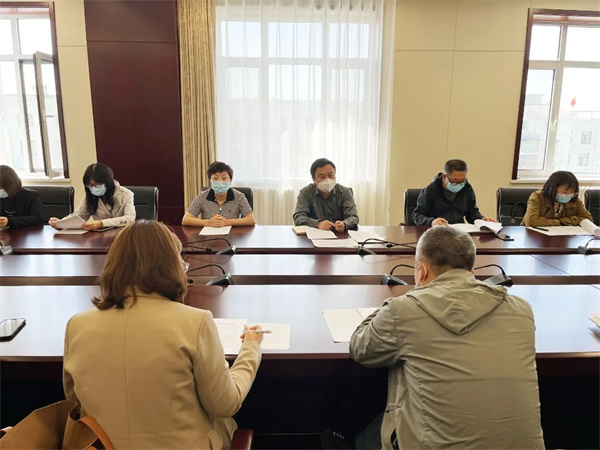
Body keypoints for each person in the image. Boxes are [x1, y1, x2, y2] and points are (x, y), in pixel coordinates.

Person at [63, 220, 263, 449]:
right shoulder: (195, 322)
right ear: (171, 267)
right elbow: (225, 403)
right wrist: (251, 348)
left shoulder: (76, 325)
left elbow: (74, 402)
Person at [349, 227, 544, 449]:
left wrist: (400, 301)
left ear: (421, 270)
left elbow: (360, 348)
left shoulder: (403, 310)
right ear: (472, 272)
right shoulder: (522, 310)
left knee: (366, 438)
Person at [49, 163, 135, 230]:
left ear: (108, 182)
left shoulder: (126, 194)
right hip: (100, 236)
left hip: (123, 235)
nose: (93, 188)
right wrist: (61, 223)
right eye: (89, 185)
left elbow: (130, 218)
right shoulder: (90, 195)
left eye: (96, 185)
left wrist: (102, 223)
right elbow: (79, 215)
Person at [412, 159, 496, 227]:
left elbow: (472, 213)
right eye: (455, 181)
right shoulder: (431, 190)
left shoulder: (467, 188)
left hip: (459, 232)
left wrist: (481, 219)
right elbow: (417, 215)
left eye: (462, 180)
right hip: (437, 232)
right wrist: (432, 221)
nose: (459, 184)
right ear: (444, 177)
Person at [182, 161, 256, 227]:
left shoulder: (239, 197)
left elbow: (251, 220)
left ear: (230, 180)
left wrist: (227, 222)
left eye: (224, 178)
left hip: (232, 235)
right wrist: (208, 223)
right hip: (208, 235)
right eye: (215, 178)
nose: (220, 182)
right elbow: (186, 220)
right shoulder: (202, 197)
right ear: (210, 181)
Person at [293, 158, 359, 231]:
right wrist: (318, 223)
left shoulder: (344, 192)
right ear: (314, 179)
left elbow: (353, 217)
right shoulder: (306, 192)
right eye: (322, 177)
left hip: (340, 234)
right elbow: (298, 217)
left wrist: (344, 224)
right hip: (315, 234)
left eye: (330, 175)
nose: (327, 180)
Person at [523, 170, 593, 227]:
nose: (568, 195)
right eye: (565, 192)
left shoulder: (573, 199)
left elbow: (588, 219)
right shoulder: (538, 197)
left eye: (572, 191)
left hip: (564, 235)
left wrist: (562, 221)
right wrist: (557, 222)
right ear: (553, 188)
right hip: (536, 235)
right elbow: (531, 221)